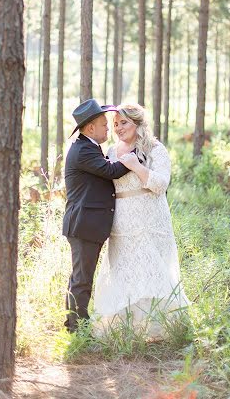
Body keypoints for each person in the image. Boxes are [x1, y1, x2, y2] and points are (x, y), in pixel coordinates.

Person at [93, 103, 189, 338]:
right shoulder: (112, 152)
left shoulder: (155, 149)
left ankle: (159, 328)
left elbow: (160, 184)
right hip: (122, 220)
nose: (118, 128)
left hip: (151, 218)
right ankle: (123, 329)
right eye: (115, 124)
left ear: (137, 123)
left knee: (152, 268)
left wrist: (137, 166)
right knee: (125, 270)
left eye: (123, 122)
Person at [62, 98, 130, 333]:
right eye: (104, 124)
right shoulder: (83, 150)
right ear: (90, 128)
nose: (108, 129)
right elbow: (111, 171)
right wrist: (134, 158)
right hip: (83, 225)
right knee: (82, 280)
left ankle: (73, 323)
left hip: (86, 224)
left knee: (80, 277)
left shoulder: (88, 147)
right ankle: (77, 329)